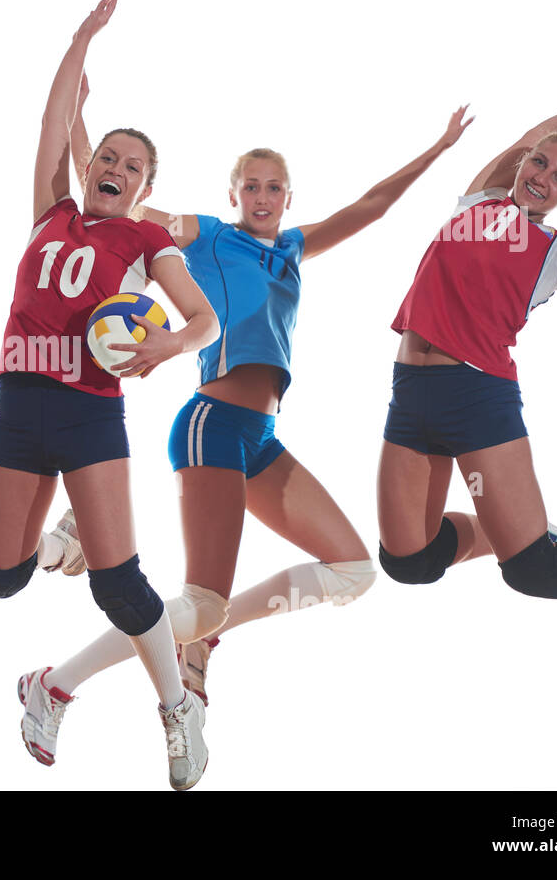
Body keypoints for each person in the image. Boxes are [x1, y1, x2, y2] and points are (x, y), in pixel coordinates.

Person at [27, 82, 471, 737]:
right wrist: (77, 120)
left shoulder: (291, 247)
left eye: (274, 188)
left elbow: (372, 206)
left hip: (260, 437)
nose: (262, 198)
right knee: (196, 601)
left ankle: (205, 631)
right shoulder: (207, 237)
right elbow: (121, 199)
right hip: (213, 421)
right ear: (233, 194)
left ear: (288, 199)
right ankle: (56, 682)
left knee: (351, 571)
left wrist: (439, 146)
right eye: (251, 186)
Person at [0, 0, 220, 791]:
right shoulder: (52, 212)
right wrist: (79, 39)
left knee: (121, 585)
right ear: (89, 170)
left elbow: (205, 321)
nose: (114, 169)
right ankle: (61, 543)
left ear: (145, 186)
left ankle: (178, 707)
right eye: (106, 158)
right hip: (18, 402)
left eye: (132, 166)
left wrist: (165, 348)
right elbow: (51, 126)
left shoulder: (145, 239)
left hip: (88, 411)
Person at [377, 88, 557, 600]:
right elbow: (526, 140)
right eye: (539, 163)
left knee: (538, 571)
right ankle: (509, 530)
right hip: (410, 392)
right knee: (410, 561)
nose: (541, 176)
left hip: (475, 397)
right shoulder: (480, 200)